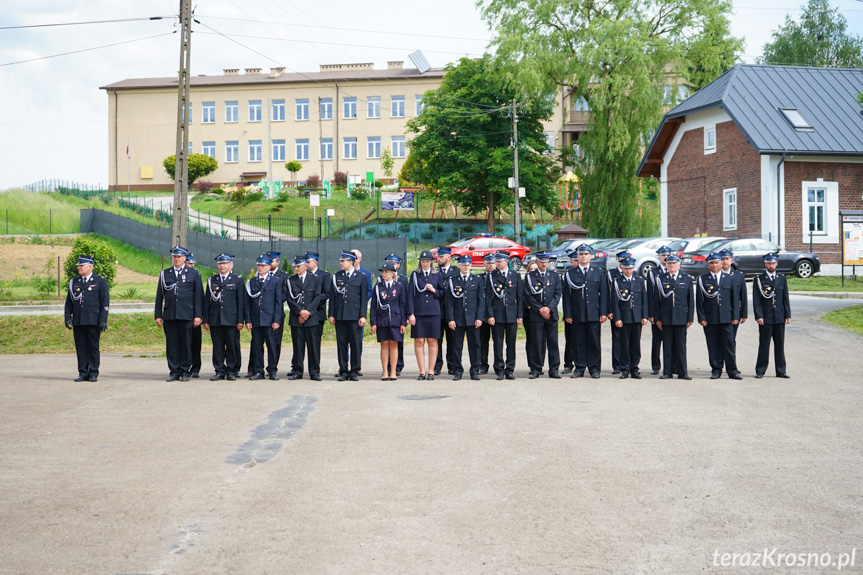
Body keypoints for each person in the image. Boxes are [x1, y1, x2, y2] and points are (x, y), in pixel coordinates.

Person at [155, 245, 203, 382]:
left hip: (187, 314)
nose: (177, 259)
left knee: (186, 343)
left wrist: (198, 315)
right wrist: (158, 315)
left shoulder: (193, 273)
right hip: (170, 314)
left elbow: (198, 296)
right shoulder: (165, 274)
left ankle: (185, 370)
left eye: (179, 257)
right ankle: (174, 371)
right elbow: (160, 296)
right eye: (175, 257)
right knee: (172, 344)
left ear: (184, 258)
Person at [562, 245, 607, 378]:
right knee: (578, 341)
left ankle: (594, 369)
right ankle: (579, 368)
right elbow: (566, 296)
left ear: (590, 256)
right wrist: (568, 314)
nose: (583, 256)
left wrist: (603, 312)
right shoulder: (570, 274)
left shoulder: (598, 272)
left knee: (594, 342)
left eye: (586, 254)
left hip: (594, 313)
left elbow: (604, 294)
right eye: (581, 254)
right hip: (577, 313)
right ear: (577, 256)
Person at [696, 252, 742, 380]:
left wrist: (735, 316)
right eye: (711, 263)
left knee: (729, 344)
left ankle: (732, 370)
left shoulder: (730, 278)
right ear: (708, 264)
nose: (714, 265)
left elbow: (734, 299)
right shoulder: (702, 279)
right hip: (710, 318)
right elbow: (699, 301)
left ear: (721, 263)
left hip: (727, 317)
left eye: (717, 262)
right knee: (713, 345)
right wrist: (702, 317)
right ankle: (716, 369)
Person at [64, 254, 109, 382]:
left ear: (90, 266)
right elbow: (69, 302)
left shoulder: (100, 281)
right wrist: (68, 317)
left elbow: (105, 302)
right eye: (79, 266)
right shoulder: (74, 282)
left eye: (82, 265)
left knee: (93, 346)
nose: (79, 268)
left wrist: (103, 320)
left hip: (93, 320)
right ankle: (83, 372)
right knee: (81, 347)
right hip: (78, 320)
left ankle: (93, 372)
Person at [202, 253, 245, 381]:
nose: (222, 266)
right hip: (215, 319)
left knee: (231, 345)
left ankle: (231, 370)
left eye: (225, 263)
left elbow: (241, 302)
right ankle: (219, 370)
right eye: (220, 263)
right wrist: (206, 319)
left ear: (231, 265)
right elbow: (207, 301)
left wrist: (240, 320)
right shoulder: (212, 280)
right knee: (218, 346)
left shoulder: (237, 280)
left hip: (231, 319)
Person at [329, 251, 369, 381]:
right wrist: (331, 314)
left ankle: (354, 370)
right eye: (341, 261)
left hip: (354, 315)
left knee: (355, 344)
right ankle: (344, 370)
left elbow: (363, 298)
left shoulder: (361, 277)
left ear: (350, 262)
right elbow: (333, 297)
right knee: (341, 344)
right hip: (340, 315)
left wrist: (363, 315)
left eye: (343, 261)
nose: (341, 263)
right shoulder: (337, 276)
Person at [445, 255, 486, 380]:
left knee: (475, 345)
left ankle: (474, 370)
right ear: (459, 266)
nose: (466, 266)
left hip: (473, 319)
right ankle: (457, 370)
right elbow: (449, 302)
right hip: (458, 319)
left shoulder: (477, 280)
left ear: (471, 265)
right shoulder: (453, 280)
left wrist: (479, 317)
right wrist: (450, 319)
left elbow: (481, 301)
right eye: (463, 264)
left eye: (468, 264)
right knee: (457, 346)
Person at [245, 254, 284, 381]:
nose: (260, 268)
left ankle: (272, 370)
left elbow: (278, 302)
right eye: (258, 265)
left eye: (263, 265)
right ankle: (258, 370)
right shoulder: (252, 282)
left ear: (268, 267)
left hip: (270, 319)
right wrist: (248, 319)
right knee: (257, 346)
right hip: (256, 319)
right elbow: (248, 303)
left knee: (272, 346)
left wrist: (276, 320)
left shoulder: (275, 281)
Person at [522, 253, 562, 379]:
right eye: (541, 261)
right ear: (537, 261)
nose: (543, 264)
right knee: (536, 342)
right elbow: (528, 295)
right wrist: (540, 309)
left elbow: (558, 293)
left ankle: (554, 369)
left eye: (545, 261)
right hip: (536, 314)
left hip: (551, 314)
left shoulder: (554, 276)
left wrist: (549, 308)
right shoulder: (530, 276)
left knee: (553, 342)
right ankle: (536, 369)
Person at [406, 250, 444, 380]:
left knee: (433, 341)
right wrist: (410, 313)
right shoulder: (415, 275)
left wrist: (434, 291)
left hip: (433, 312)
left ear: (431, 262)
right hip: (419, 312)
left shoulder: (437, 274)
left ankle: (431, 371)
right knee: (419, 341)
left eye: (428, 261)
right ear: (420, 262)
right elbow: (410, 295)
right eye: (423, 261)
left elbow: (443, 292)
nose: (425, 263)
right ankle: (422, 371)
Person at [654, 254, 693, 380]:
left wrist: (690, 317)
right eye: (669, 264)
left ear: (679, 265)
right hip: (666, 317)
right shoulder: (660, 278)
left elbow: (690, 300)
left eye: (674, 263)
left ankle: (682, 372)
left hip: (681, 316)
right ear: (666, 265)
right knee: (667, 345)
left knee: (681, 346)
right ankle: (667, 371)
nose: (672, 266)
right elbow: (656, 300)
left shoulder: (686, 278)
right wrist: (657, 318)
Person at [285, 255, 324, 381]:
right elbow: (290, 299)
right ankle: (297, 371)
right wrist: (300, 312)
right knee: (298, 346)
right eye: (295, 266)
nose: (296, 268)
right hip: (297, 318)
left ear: (306, 266)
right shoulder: (290, 280)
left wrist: (307, 313)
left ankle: (314, 372)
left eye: (299, 266)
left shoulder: (315, 279)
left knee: (313, 346)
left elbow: (317, 297)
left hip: (311, 318)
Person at [753, 252, 791, 379]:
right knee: (764, 345)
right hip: (766, 318)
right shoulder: (759, 279)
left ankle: (781, 370)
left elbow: (785, 298)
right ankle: (760, 370)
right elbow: (757, 300)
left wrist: (787, 314)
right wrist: (759, 316)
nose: (771, 265)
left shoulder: (781, 278)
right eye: (769, 263)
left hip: (779, 317)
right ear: (765, 264)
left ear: (777, 264)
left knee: (780, 345)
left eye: (773, 263)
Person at [610, 257, 648, 379]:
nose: (628, 270)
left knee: (635, 344)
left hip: (637, 317)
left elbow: (644, 300)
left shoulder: (640, 281)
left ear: (634, 268)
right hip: (624, 317)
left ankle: (635, 368)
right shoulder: (617, 282)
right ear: (622, 268)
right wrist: (617, 318)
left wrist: (644, 316)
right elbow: (614, 302)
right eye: (626, 268)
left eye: (631, 268)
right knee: (624, 344)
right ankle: (624, 368)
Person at [487, 251, 522, 380]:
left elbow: (519, 296)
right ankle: (499, 369)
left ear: (506, 261)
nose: (497, 263)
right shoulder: (492, 276)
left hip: (511, 314)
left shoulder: (515, 275)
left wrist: (519, 315)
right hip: (497, 314)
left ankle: (510, 369)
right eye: (496, 261)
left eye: (499, 261)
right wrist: (490, 315)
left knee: (511, 343)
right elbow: (489, 298)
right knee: (498, 343)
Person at [371, 260, 407, 380]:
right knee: (384, 344)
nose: (384, 274)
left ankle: (393, 371)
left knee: (394, 344)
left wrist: (403, 322)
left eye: (387, 272)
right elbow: (373, 306)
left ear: (393, 273)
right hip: (382, 319)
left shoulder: (399, 287)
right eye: (383, 272)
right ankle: (385, 371)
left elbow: (403, 305)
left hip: (395, 319)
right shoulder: (378, 287)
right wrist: (373, 322)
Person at [647, 246, 672, 375]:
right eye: (663, 255)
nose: (666, 257)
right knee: (657, 340)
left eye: (668, 255)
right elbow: (650, 294)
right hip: (657, 311)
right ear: (659, 257)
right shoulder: (653, 272)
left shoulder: (674, 269)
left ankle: (672, 365)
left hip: (671, 312)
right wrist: (651, 314)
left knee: (671, 340)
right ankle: (655, 365)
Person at [434, 246, 458, 376]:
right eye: (438, 256)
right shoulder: (434, 272)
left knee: (452, 340)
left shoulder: (456, 272)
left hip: (452, 312)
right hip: (437, 311)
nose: (439, 258)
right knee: (436, 340)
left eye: (441, 256)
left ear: (449, 257)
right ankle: (437, 365)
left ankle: (452, 365)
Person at [349, 248, 374, 376]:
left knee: (358, 339)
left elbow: (369, 290)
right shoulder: (343, 273)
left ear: (360, 259)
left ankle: (356, 366)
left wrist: (361, 302)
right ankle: (344, 365)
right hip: (347, 311)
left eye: (356, 257)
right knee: (345, 340)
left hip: (359, 311)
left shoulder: (366, 274)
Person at [607, 250, 631, 375]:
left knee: (629, 339)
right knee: (617, 338)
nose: (624, 262)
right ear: (618, 260)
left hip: (629, 311)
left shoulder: (632, 272)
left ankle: (628, 364)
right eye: (622, 259)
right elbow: (607, 293)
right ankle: (617, 365)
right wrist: (609, 310)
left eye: (626, 259)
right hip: (615, 310)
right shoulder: (611, 274)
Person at [303, 251, 329, 364]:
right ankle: (296, 368)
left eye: (308, 262)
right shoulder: (303, 276)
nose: (306, 264)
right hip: (302, 315)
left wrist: (310, 307)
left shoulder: (324, 275)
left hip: (317, 314)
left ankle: (314, 368)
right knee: (300, 343)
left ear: (315, 262)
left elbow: (326, 294)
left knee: (314, 343)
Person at [720, 249, 748, 349]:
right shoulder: (716, 276)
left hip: (734, 313)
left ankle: (730, 362)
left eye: (727, 259)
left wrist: (743, 314)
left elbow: (743, 296)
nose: (725, 261)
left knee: (731, 340)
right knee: (720, 340)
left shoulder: (739, 276)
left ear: (731, 261)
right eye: (722, 259)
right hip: (720, 314)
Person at [387, 253, 409, 376]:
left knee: (398, 340)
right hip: (386, 315)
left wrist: (405, 317)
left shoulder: (403, 279)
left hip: (399, 315)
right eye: (390, 263)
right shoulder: (382, 278)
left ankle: (398, 365)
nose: (392, 265)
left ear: (398, 265)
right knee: (387, 341)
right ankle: (388, 365)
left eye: (394, 263)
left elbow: (405, 299)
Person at [267, 252, 289, 376]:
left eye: (272, 261)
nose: (270, 263)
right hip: (262, 313)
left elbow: (285, 294)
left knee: (275, 342)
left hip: (276, 313)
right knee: (257, 342)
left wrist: (272, 301)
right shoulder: (262, 274)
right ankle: (254, 368)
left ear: (278, 262)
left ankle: (272, 368)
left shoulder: (283, 276)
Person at [184, 253, 203, 378]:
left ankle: (195, 367)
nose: (192, 265)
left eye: (193, 263)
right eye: (190, 263)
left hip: (194, 315)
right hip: (184, 313)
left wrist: (199, 315)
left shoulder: (196, 274)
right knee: (186, 343)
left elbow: (199, 296)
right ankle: (185, 365)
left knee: (196, 343)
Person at [478, 254, 497, 375]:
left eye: (492, 263)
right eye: (488, 263)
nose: (490, 265)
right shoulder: (479, 278)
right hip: (483, 313)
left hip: (496, 313)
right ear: (484, 264)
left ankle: (498, 365)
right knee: (482, 341)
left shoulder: (499, 277)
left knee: (498, 341)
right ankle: (483, 364)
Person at [522, 260, 540, 374]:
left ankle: (539, 363)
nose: (533, 271)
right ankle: (531, 364)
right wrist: (528, 305)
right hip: (528, 313)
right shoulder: (524, 282)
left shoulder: (539, 280)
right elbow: (522, 295)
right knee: (531, 340)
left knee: (540, 340)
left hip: (538, 313)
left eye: (535, 269)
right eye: (531, 269)